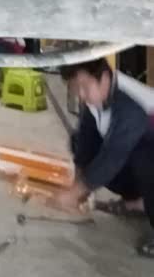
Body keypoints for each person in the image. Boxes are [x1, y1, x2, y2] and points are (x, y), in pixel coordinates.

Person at [56, 58, 154, 257]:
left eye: (85, 86)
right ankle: (140, 203)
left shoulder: (131, 104)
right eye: (76, 88)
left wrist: (74, 193)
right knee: (79, 142)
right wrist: (79, 186)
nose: (81, 95)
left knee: (140, 155)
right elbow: (84, 146)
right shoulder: (96, 99)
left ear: (104, 78)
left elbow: (113, 156)